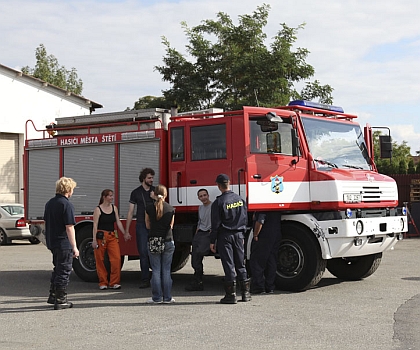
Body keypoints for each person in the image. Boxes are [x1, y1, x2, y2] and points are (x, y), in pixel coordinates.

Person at [210, 174, 251, 304]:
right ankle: (246, 294)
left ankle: (231, 295)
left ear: (218, 185)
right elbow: (245, 218)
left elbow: (215, 224)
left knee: (229, 264)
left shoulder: (218, 202)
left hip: (225, 235)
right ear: (229, 183)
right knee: (241, 263)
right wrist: (243, 234)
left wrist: (212, 240)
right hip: (239, 235)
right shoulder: (240, 199)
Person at [44, 177, 79, 310]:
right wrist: (74, 247)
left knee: (57, 268)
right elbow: (69, 227)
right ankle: (61, 299)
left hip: (53, 241)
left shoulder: (50, 203)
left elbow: (46, 222)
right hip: (63, 242)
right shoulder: (67, 205)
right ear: (68, 189)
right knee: (64, 270)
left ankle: (52, 295)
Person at [145, 184, 175, 304]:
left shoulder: (148, 208)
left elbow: (147, 225)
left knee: (156, 270)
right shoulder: (171, 209)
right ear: (165, 194)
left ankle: (156, 298)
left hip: (154, 240)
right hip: (168, 240)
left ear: (154, 194)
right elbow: (171, 226)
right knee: (166, 270)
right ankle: (167, 297)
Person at [125, 168, 155, 288]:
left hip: (154, 225)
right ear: (143, 178)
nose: (151, 180)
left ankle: (156, 278)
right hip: (141, 224)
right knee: (143, 252)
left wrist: (156, 198)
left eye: (152, 178)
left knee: (154, 252)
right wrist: (127, 230)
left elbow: (163, 206)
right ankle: (145, 279)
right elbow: (131, 211)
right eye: (149, 178)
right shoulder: (136, 192)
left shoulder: (155, 191)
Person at [92, 189, 126, 290]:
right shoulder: (98, 209)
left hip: (112, 236)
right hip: (101, 236)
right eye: (110, 196)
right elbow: (95, 225)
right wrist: (94, 240)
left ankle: (114, 282)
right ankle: (103, 282)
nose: (112, 198)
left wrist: (125, 233)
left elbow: (118, 222)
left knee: (116, 258)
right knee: (100, 260)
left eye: (112, 195)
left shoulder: (114, 208)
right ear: (104, 197)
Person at [185, 188, 212, 291]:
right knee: (195, 256)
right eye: (201, 196)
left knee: (201, 251)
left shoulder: (213, 206)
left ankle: (199, 279)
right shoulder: (200, 208)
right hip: (200, 232)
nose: (203, 197)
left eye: (205, 195)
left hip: (208, 233)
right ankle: (198, 280)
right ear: (198, 198)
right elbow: (200, 221)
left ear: (208, 195)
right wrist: (197, 232)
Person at [250, 211, 282, 294]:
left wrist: (255, 235)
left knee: (258, 261)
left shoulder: (262, 206)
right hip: (275, 234)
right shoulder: (275, 206)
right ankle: (270, 287)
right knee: (271, 260)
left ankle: (258, 287)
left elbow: (260, 221)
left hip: (264, 235)